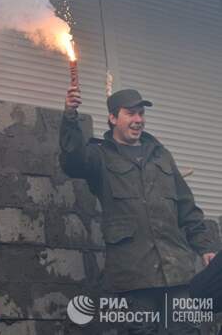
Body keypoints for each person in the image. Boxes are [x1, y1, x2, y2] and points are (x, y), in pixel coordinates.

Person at [60, 86, 217, 334]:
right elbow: (72, 161)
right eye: (131, 113)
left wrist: (205, 247)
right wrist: (70, 115)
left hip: (177, 272)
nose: (138, 120)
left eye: (141, 113)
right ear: (113, 118)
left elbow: (186, 207)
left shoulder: (161, 155)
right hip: (132, 277)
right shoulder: (99, 156)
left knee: (186, 330)